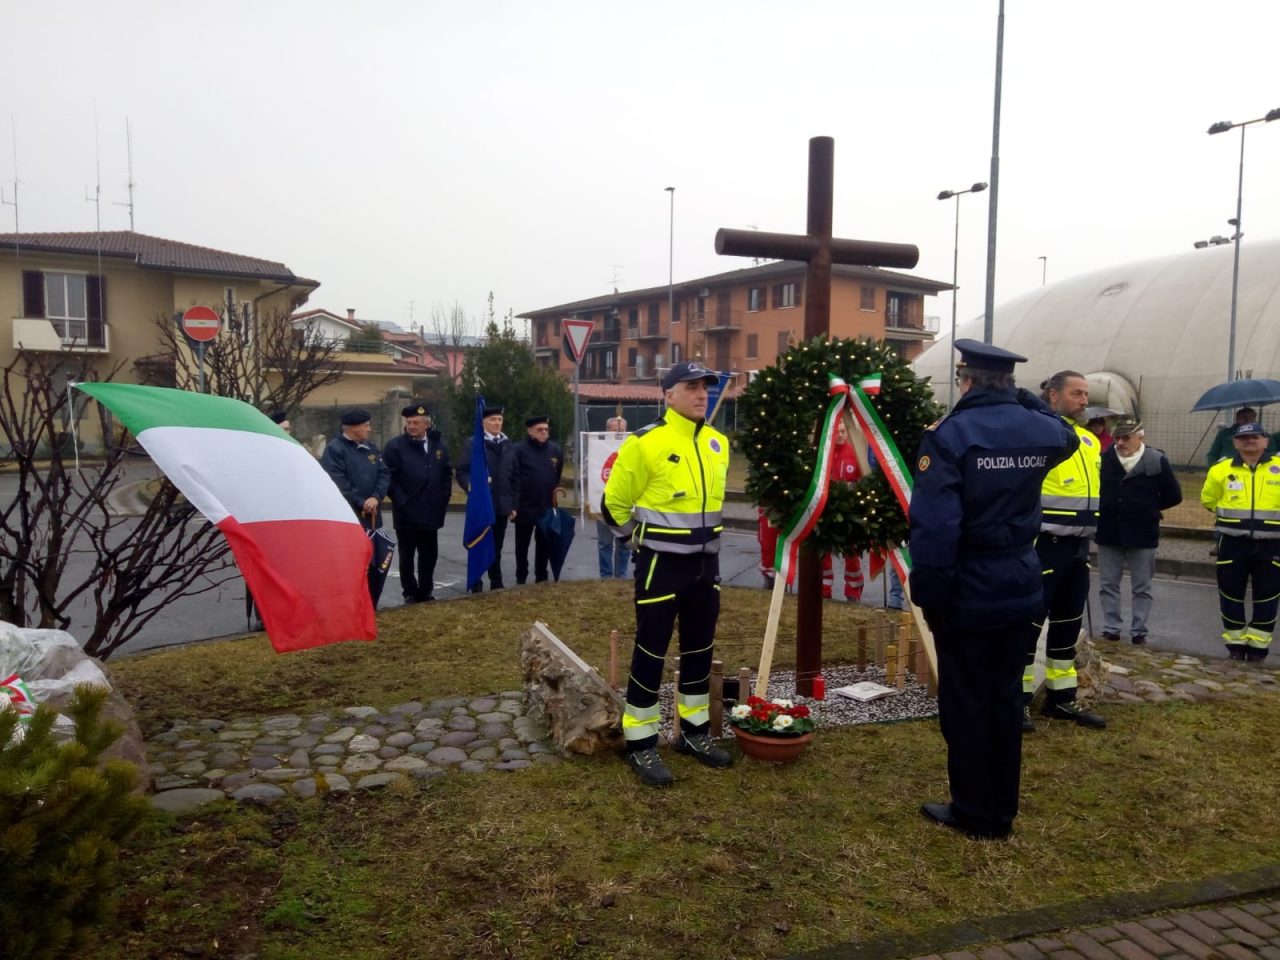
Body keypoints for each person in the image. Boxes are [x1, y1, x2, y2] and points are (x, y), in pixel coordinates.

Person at [910, 339, 1078, 841]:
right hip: (1020, 582)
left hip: (966, 588)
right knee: (1005, 699)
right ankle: (1000, 811)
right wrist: (1022, 400)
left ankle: (972, 811)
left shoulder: (949, 436)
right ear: (1009, 381)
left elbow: (936, 528)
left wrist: (930, 592)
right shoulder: (1040, 429)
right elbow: (1069, 438)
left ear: (964, 379)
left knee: (965, 702)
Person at [603, 360, 733, 786]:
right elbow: (613, 506)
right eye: (691, 386)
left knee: (699, 649)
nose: (701, 394)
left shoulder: (718, 443)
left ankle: (693, 734)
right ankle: (640, 743)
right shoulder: (645, 443)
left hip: (706, 566)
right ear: (669, 394)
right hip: (661, 566)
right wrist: (634, 543)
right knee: (652, 650)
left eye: (706, 388)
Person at [1023, 370, 1107, 731]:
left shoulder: (1088, 439)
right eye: (1077, 393)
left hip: (1078, 547)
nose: (1084, 401)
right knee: (1028, 626)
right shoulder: (1034, 433)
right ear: (1053, 395)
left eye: (1086, 394)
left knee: (1068, 624)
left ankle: (1061, 698)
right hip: (1044, 544)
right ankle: (1017, 700)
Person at [1096, 418, 1182, 645]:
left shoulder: (1156, 460)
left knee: (1142, 586)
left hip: (1143, 532)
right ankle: (1111, 628)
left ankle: (1138, 630)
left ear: (1140, 437)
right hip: (1109, 530)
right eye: (1118, 437)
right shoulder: (1104, 459)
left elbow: (1174, 495)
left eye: (1127, 437)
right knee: (1108, 584)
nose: (1121, 442)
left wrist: (1149, 508)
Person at [1200, 421, 1280, 662]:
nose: (1250, 441)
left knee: (1267, 596)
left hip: (1272, 544)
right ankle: (1235, 646)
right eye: (1244, 438)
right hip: (1232, 543)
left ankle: (1258, 648)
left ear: (1266, 441)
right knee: (1231, 594)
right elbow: (1208, 500)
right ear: (1235, 443)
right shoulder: (1220, 470)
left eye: (1256, 437)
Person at [383, 402, 453, 604]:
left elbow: (446, 473)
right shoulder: (395, 447)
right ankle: (410, 592)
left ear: (426, 425)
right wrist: (402, 500)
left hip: (431, 512)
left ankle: (426, 590)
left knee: (429, 555)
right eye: (409, 422)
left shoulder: (438, 446)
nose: (411, 426)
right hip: (407, 513)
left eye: (416, 423)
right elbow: (388, 477)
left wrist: (443, 497)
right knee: (407, 557)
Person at [320, 408, 391, 604]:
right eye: (366, 425)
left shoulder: (371, 448)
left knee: (373, 558)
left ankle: (369, 600)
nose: (370, 429)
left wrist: (376, 497)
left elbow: (384, 474)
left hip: (372, 514)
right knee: (350, 561)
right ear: (353, 428)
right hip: (349, 515)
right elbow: (338, 482)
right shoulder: (335, 450)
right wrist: (361, 501)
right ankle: (349, 602)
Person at [456, 405, 518, 592]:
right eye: (492, 419)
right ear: (483, 422)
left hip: (501, 505)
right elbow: (462, 471)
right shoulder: (474, 443)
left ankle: (496, 581)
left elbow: (514, 476)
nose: (497, 423)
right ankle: (476, 581)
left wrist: (512, 504)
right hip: (482, 504)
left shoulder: (508, 444)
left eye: (499, 419)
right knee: (478, 543)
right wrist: (471, 487)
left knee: (496, 546)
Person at [513, 415, 564, 585]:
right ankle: (521, 576)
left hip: (545, 507)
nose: (543, 433)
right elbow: (514, 476)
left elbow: (557, 475)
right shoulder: (518, 450)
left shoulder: (555, 450)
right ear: (530, 431)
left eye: (546, 430)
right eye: (539, 430)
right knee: (522, 546)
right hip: (524, 506)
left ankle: (541, 576)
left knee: (543, 544)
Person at [822, 420, 865, 601]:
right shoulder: (825, 454)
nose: (839, 435)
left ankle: (853, 591)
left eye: (842, 431)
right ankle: (824, 590)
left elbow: (862, 481)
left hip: (849, 511)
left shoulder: (855, 453)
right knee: (824, 553)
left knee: (852, 553)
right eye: (836, 432)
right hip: (827, 510)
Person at [597, 416, 631, 578]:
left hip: (625, 505)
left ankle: (621, 576)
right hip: (603, 503)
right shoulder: (597, 448)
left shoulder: (632, 447)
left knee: (625, 543)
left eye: (622, 430)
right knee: (605, 543)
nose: (619, 432)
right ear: (606, 430)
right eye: (615, 430)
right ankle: (605, 576)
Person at [1205, 407, 1277, 466]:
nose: (1247, 420)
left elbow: (1272, 453)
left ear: (1255, 418)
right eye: (1244, 417)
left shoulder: (1263, 435)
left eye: (1250, 417)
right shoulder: (1224, 434)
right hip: (1226, 467)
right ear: (1237, 418)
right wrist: (1213, 467)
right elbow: (1212, 454)